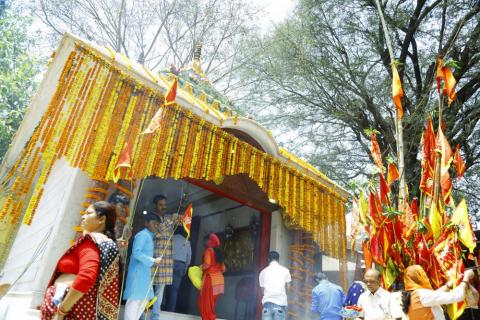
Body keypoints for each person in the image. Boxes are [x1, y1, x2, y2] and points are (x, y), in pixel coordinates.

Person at [40, 201, 120, 320]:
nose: (83, 216)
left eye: (88, 213)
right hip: (72, 305)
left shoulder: (91, 242)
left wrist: (62, 310)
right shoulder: (101, 242)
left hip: (70, 308)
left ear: (101, 219)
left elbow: (86, 277)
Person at [123, 213, 163, 320]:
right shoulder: (142, 235)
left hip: (144, 276)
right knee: (133, 305)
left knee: (142, 303)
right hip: (137, 276)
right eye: (154, 223)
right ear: (146, 223)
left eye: (157, 224)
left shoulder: (149, 236)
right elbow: (136, 253)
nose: (156, 226)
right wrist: (153, 260)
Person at [402, 265, 475, 320]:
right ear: (418, 277)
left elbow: (433, 296)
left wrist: (447, 286)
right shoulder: (421, 294)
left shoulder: (412, 296)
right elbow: (457, 296)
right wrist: (466, 278)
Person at [150, 194, 180, 319]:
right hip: (152, 258)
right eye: (161, 205)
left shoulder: (169, 218)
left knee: (159, 291)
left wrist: (181, 219)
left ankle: (155, 317)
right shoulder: (151, 218)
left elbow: (178, 222)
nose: (164, 207)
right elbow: (157, 233)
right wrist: (171, 220)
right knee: (146, 289)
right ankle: (140, 315)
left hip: (166, 260)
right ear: (155, 205)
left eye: (165, 205)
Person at [198, 233, 226, 320]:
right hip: (219, 282)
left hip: (210, 280)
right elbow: (224, 269)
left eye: (206, 240)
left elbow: (207, 264)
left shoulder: (209, 251)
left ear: (210, 241)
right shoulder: (219, 253)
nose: (204, 242)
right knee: (211, 306)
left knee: (205, 305)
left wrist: (199, 268)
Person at [259, 251, 292, 320]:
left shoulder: (262, 272)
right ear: (278, 259)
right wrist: (284, 295)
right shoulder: (285, 271)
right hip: (280, 303)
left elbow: (262, 291)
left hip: (267, 305)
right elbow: (288, 287)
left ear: (268, 259)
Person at [166, 227, 192, 312]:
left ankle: (161, 306)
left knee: (164, 286)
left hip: (169, 263)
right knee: (175, 290)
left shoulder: (171, 238)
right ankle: (170, 310)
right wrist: (186, 267)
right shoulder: (187, 241)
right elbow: (189, 256)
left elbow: (166, 251)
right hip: (181, 264)